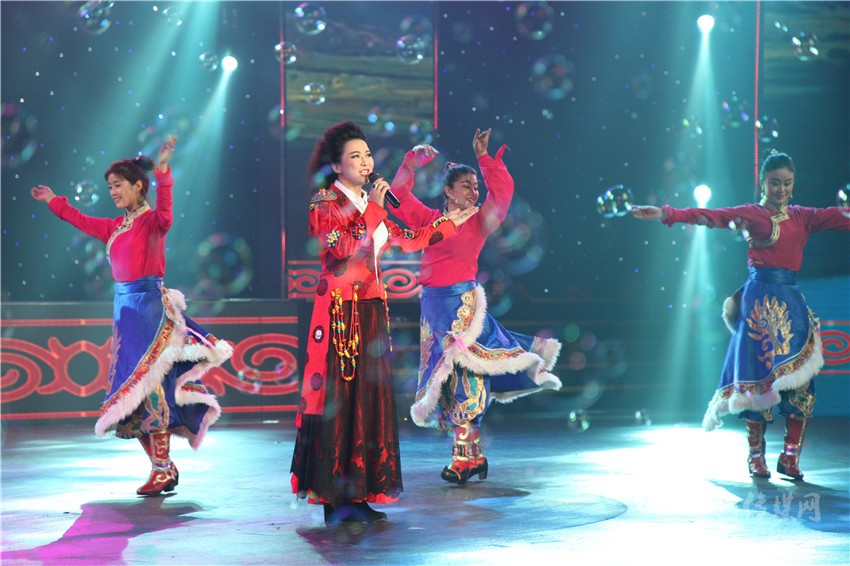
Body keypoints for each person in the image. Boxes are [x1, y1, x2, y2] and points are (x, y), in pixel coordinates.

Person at [289, 121, 479, 526]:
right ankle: (334, 498)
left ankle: (358, 493)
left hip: (371, 310)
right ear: (336, 166)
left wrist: (451, 223)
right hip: (340, 313)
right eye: (355, 156)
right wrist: (374, 208)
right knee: (341, 402)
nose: (365, 162)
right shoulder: (325, 203)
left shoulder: (367, 202)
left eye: (368, 155)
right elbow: (342, 249)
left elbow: (409, 238)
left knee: (367, 403)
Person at [31, 136, 232, 495]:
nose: (113, 192)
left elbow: (166, 207)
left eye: (118, 185)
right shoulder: (114, 227)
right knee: (130, 397)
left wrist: (164, 170)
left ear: (139, 186)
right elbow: (79, 219)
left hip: (150, 314)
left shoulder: (153, 222)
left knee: (153, 389)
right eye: (109, 186)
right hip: (125, 318)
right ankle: (163, 467)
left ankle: (162, 469)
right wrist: (52, 200)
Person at [631, 150, 850, 480]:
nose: (781, 189)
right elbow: (712, 216)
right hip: (759, 305)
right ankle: (755, 457)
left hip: (791, 304)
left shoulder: (803, 216)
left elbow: (840, 216)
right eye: (774, 183)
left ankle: (790, 457)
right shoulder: (752, 214)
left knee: (802, 382)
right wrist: (667, 213)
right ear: (762, 182)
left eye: (787, 183)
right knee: (757, 382)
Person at [387, 128, 562, 485]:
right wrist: (409, 163)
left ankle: (465, 460)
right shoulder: (429, 220)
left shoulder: (480, 221)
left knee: (467, 377)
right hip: (433, 310)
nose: (474, 191)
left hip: (462, 308)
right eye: (466, 185)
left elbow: (503, 193)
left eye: (475, 186)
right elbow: (397, 196)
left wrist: (484, 159)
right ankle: (472, 457)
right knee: (448, 381)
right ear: (448, 191)